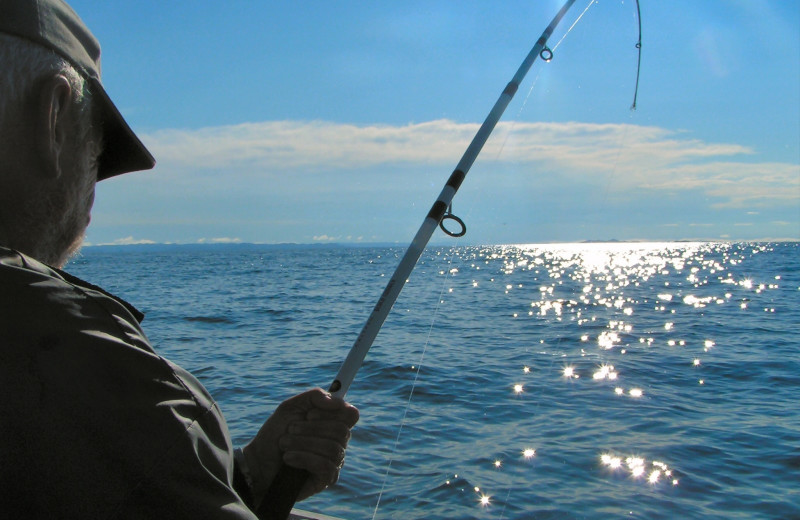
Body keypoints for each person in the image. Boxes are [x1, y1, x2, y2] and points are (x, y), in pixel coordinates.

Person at [0, 1, 359, 518]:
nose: (93, 199)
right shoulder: (64, 350)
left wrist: (248, 476)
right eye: (97, 156)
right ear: (53, 118)